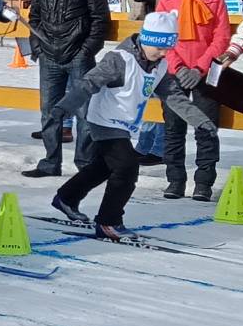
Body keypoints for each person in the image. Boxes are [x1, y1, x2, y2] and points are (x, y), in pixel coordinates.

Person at [49, 12, 205, 238]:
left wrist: (200, 120)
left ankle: (67, 197)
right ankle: (108, 222)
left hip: (125, 124)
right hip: (104, 120)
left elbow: (174, 96)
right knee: (127, 166)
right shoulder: (119, 60)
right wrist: (65, 107)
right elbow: (88, 83)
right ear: (146, 40)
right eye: (159, 48)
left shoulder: (159, 65)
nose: (163, 54)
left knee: (104, 165)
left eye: (167, 49)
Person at [22, 0, 109, 179]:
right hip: (49, 57)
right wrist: (37, 47)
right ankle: (51, 162)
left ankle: (85, 163)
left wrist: (86, 51)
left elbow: (100, 20)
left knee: (85, 113)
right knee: (49, 111)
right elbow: (34, 18)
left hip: (78, 57)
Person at [155, 0, 230, 201]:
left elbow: (221, 39)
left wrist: (200, 67)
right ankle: (175, 180)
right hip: (175, 72)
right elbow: (164, 39)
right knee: (173, 128)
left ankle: (204, 182)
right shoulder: (167, 3)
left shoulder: (215, 2)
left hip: (204, 74)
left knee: (206, 127)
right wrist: (178, 68)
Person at [126, 0, 179, 164]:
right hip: (143, 41)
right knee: (145, 92)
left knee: (159, 93)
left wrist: (155, 3)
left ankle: (159, 148)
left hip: (162, 44)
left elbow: (180, 4)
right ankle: (144, 144)